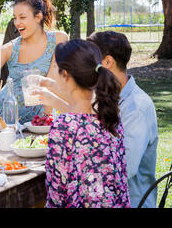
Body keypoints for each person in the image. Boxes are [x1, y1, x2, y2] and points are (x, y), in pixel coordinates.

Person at [32, 39, 130, 208]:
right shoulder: (111, 115)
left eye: (55, 67)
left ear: (66, 75)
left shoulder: (64, 126)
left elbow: (57, 194)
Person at [87, 31, 158, 208]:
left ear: (107, 62)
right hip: (102, 196)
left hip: (131, 202)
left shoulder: (137, 107)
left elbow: (125, 168)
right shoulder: (104, 96)